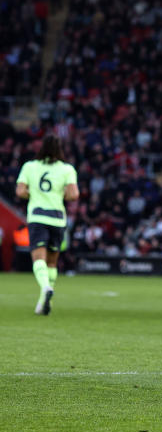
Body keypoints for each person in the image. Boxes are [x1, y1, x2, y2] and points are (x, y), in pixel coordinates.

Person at [16, 135, 79, 315]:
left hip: (37, 216)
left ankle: (45, 288)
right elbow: (74, 195)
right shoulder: (67, 169)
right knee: (52, 262)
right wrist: (58, 196)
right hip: (57, 218)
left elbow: (20, 191)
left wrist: (34, 194)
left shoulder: (30, 167)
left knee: (38, 259)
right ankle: (45, 301)